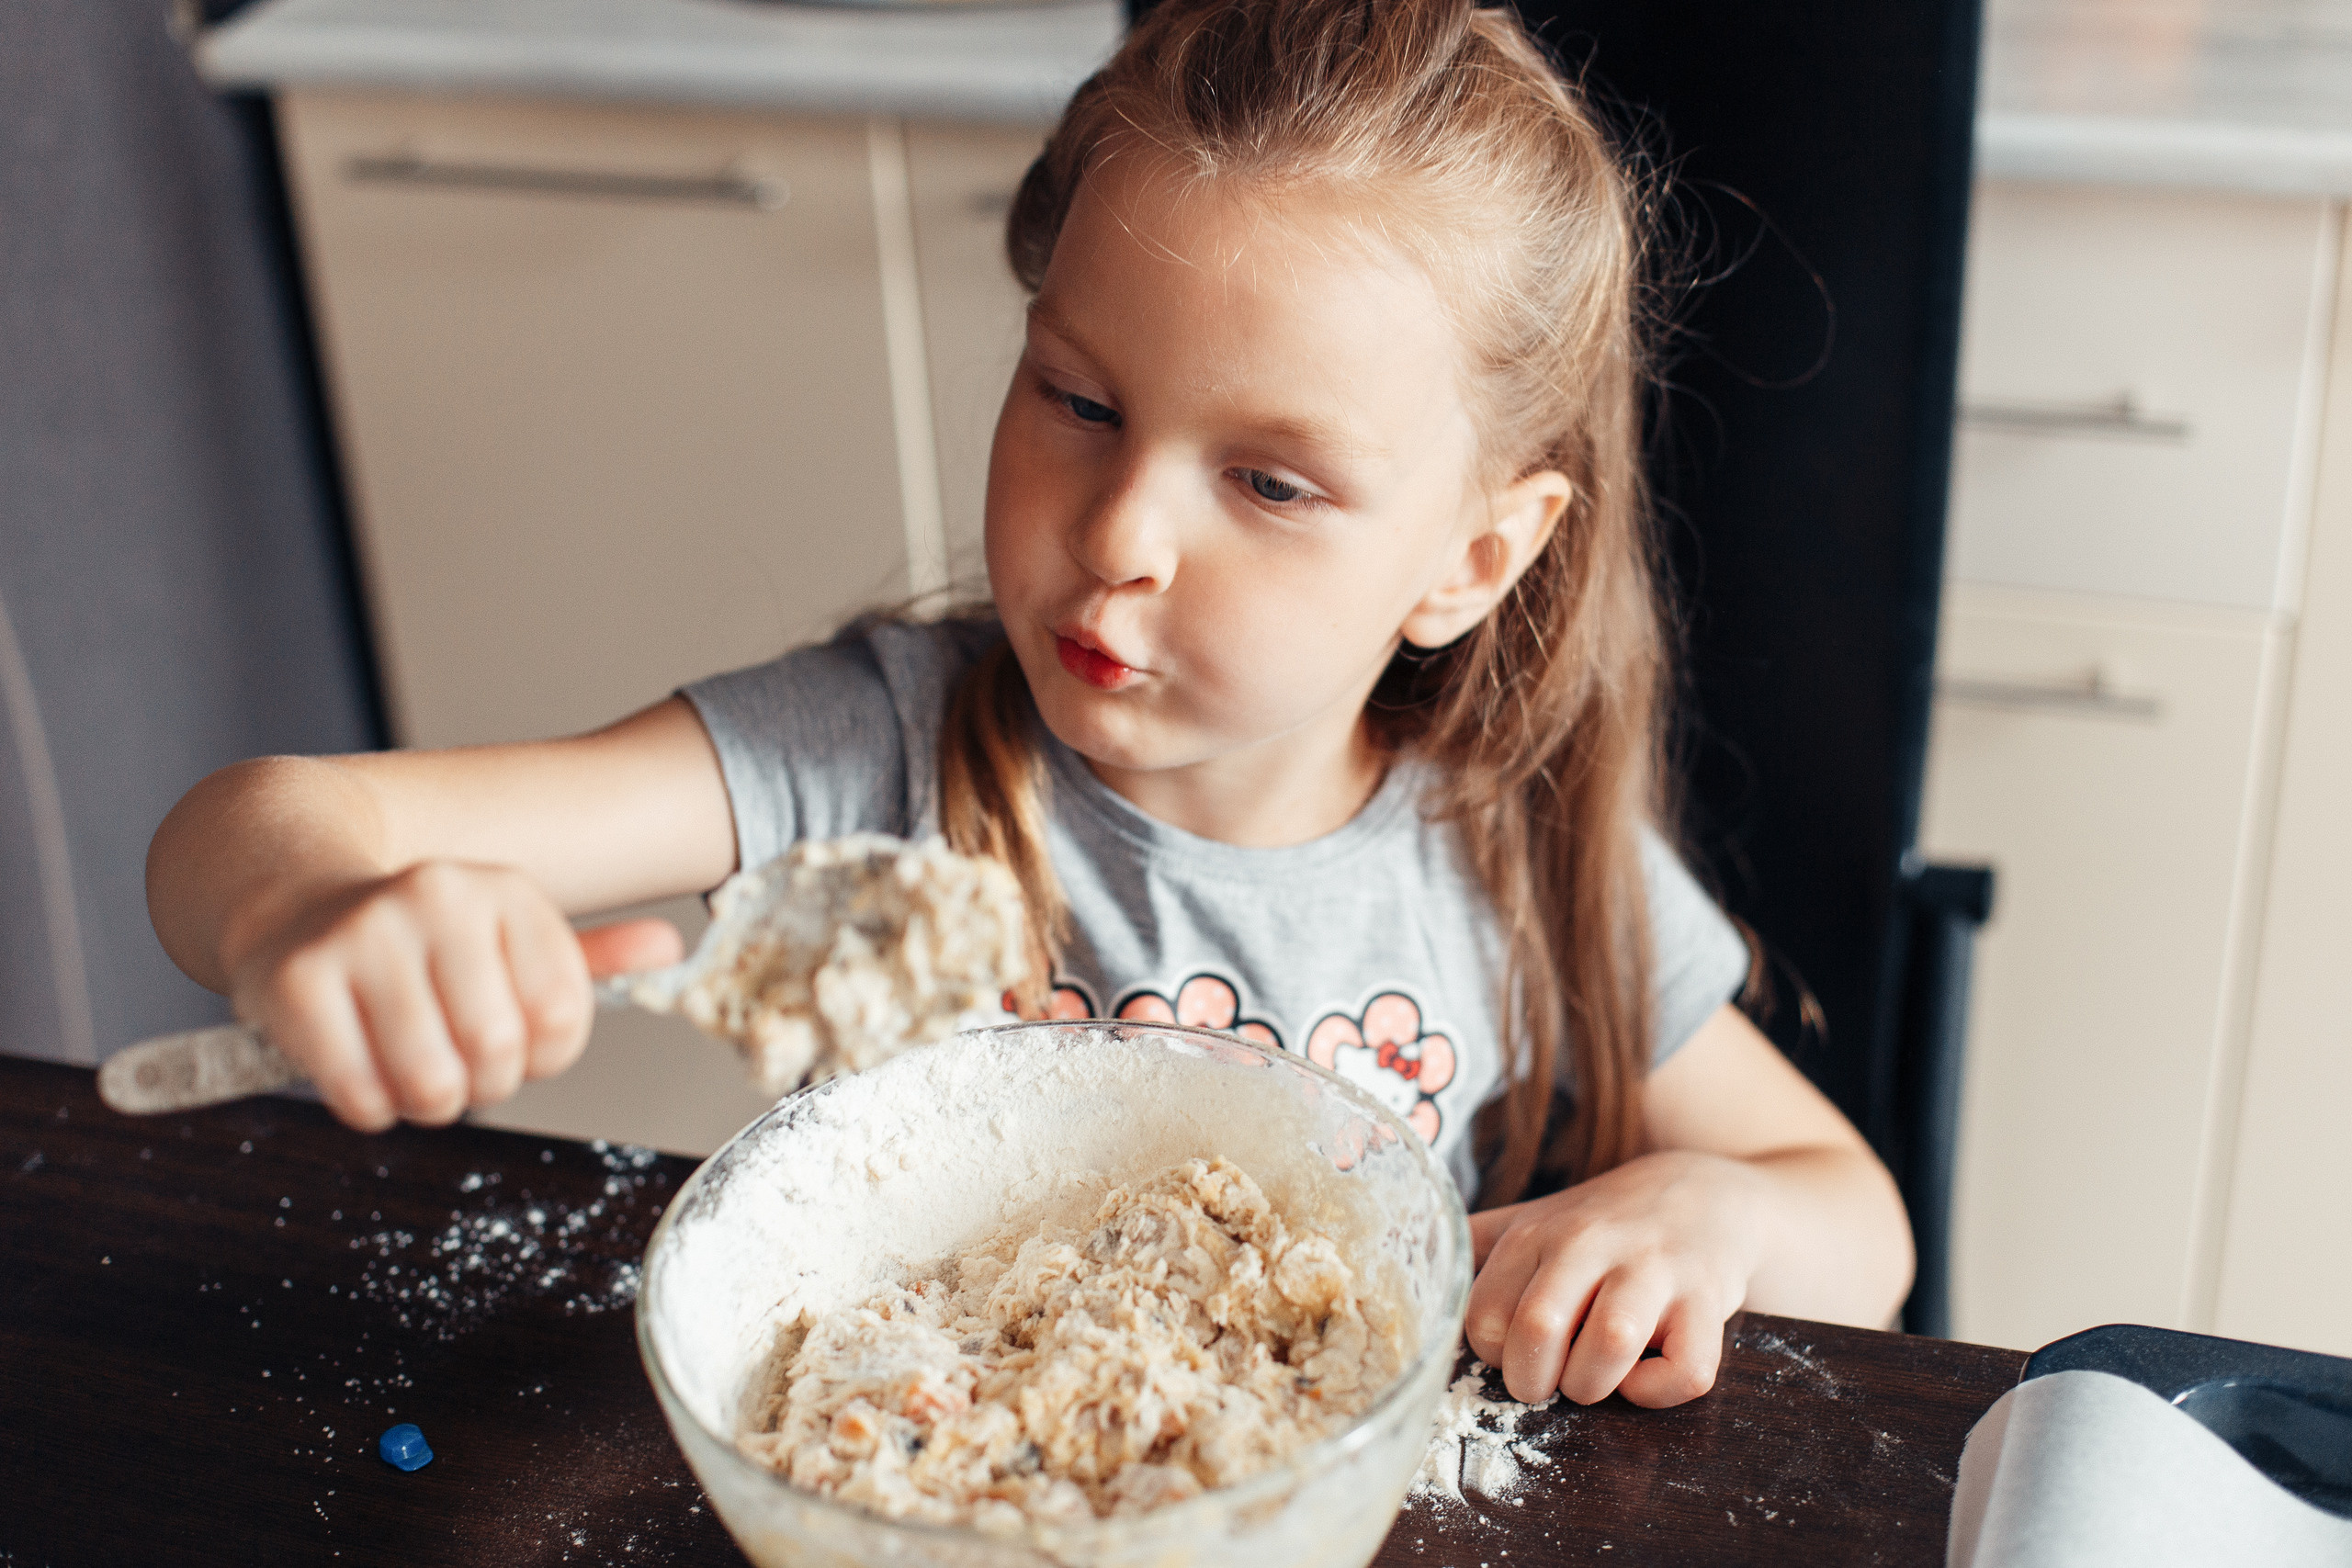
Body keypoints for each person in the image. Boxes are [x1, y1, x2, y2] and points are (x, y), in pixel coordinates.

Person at [146, 0, 1912, 1409]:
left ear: (1470, 557)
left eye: (1273, 485)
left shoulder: (1500, 864)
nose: (1122, 534)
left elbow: (1858, 1227)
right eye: (1077, 399)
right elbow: (263, 822)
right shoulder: (873, 757)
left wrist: (1708, 1209)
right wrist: (312, 910)